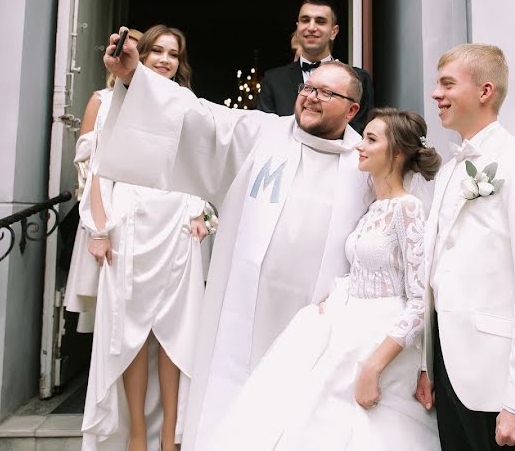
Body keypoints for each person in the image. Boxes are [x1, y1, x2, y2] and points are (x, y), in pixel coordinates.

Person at [95, 37, 374, 450]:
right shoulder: (262, 134)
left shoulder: (367, 161)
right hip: (244, 314)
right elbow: (196, 118)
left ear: (352, 109)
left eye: (326, 93)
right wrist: (135, 76)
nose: (311, 98)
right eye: (308, 88)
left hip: (318, 321)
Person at [208, 108, 443, 450]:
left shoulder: (408, 209)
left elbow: (421, 302)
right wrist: (332, 299)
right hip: (348, 321)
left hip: (381, 337)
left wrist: (372, 366)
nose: (360, 146)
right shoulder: (375, 206)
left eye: (371, 139)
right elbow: (364, 271)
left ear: (397, 153)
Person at [414, 44, 515, 450]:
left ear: (484, 91)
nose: (435, 94)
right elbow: (435, 277)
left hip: (501, 385)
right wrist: (429, 366)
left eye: (447, 84)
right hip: (450, 378)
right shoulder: (447, 171)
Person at [76, 25, 211, 451]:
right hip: (128, 223)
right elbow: (96, 172)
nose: (165, 60)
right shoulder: (109, 101)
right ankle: (136, 435)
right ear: (142, 54)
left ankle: (171, 437)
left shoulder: (187, 105)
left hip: (177, 226)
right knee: (129, 333)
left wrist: (200, 210)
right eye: (157, 51)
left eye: (174, 53)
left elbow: (203, 161)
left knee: (176, 332)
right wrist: (98, 230)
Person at [66, 28, 144, 334]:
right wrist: (96, 222)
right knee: (107, 303)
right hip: (104, 211)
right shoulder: (102, 100)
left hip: (143, 214)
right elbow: (86, 160)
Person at [258, 0, 375, 134]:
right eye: (305, 20)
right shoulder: (274, 79)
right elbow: (265, 131)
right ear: (298, 28)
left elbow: (359, 134)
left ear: (334, 32)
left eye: (320, 21)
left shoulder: (359, 79)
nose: (311, 27)